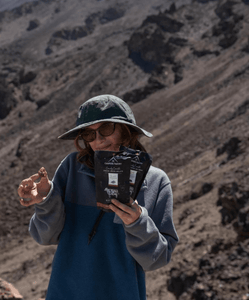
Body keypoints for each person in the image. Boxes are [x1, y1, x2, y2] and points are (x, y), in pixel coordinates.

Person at [18, 94, 179, 300]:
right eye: (89, 134)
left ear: (126, 131)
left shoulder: (156, 182)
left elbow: (157, 259)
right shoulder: (71, 169)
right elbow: (44, 236)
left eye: (106, 129)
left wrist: (138, 223)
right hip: (65, 293)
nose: (98, 139)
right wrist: (46, 201)